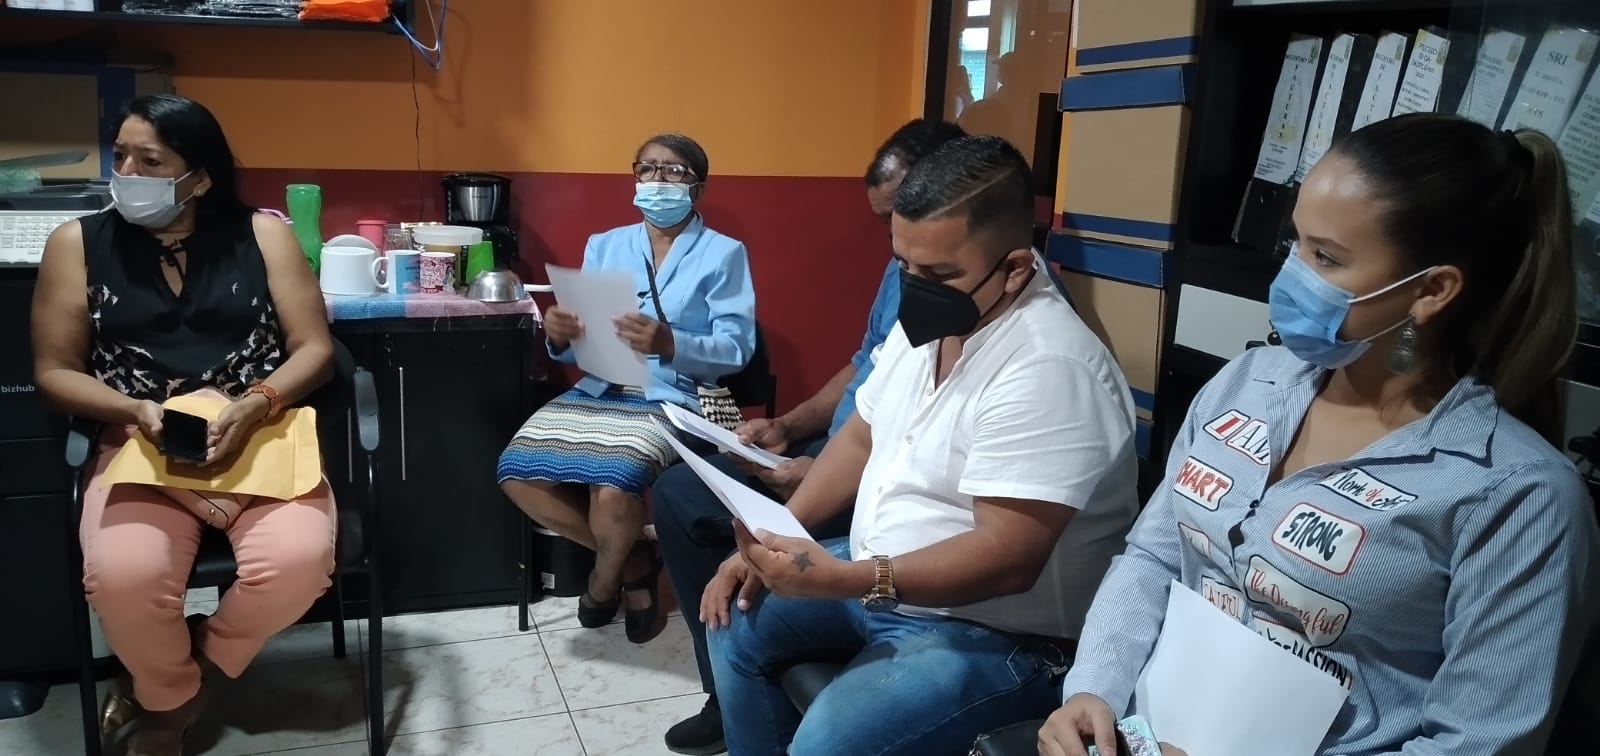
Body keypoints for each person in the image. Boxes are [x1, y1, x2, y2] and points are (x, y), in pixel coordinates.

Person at [1038, 114, 1600, 756]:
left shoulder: (1516, 493)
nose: (1292, 276)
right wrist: (1094, 691)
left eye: (1326, 258)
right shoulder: (1246, 383)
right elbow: (1154, 559)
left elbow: (1476, 742)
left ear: (1432, 290)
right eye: (1295, 243)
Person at [703, 135, 1141, 755]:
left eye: (937, 274)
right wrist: (775, 535)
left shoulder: (1050, 365)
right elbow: (862, 435)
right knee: (732, 620)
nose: (913, 287)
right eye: (903, 265)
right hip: (882, 581)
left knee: (827, 743)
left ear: (1015, 268)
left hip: (998, 631)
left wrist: (848, 579)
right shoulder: (940, 318)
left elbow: (1008, 557)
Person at [30, 94, 337, 756]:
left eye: (150, 161)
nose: (127, 174)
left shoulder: (264, 235)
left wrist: (256, 403)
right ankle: (170, 701)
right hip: (140, 441)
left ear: (199, 178)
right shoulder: (77, 244)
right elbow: (54, 372)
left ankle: (193, 673)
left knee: (299, 565)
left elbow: (314, 347)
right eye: (120, 156)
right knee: (123, 579)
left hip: (258, 433)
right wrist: (133, 410)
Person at [651, 118, 967, 755]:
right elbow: (862, 370)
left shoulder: (1000, 325)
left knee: (722, 524)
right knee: (678, 495)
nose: (894, 242)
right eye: (887, 224)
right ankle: (729, 696)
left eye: (903, 215)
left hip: (884, 495)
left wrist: (809, 484)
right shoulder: (906, 273)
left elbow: (911, 449)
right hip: (837, 453)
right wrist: (788, 427)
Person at [498, 133, 757, 645]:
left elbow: (737, 348)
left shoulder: (724, 253)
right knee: (517, 473)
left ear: (698, 187)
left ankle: (602, 582)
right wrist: (561, 337)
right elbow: (583, 340)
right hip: (603, 387)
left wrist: (670, 342)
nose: (658, 179)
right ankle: (636, 560)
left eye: (674, 170)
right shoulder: (606, 244)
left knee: (613, 488)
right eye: (648, 168)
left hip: (675, 395)